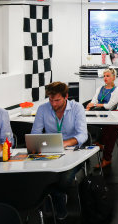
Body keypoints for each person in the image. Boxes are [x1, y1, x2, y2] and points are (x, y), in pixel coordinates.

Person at [31, 82, 88, 220]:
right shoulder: (43, 109)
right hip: (50, 151)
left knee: (64, 178)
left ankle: (57, 201)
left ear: (66, 97)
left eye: (57, 100)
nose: (53, 104)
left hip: (73, 152)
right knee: (36, 176)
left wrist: (65, 143)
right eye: (50, 100)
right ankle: (57, 202)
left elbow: (83, 135)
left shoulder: (77, 108)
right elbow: (35, 133)